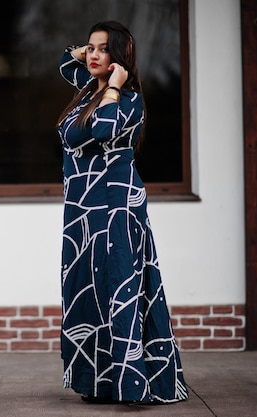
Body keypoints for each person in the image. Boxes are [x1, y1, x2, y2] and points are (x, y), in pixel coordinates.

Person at [56, 21, 188, 404]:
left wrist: (113, 84)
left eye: (103, 49)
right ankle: (99, 383)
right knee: (87, 292)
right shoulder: (85, 94)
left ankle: (134, 384)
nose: (93, 54)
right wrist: (85, 55)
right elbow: (66, 64)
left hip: (115, 207)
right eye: (91, 48)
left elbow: (104, 129)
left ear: (121, 59)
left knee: (120, 290)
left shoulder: (128, 100)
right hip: (80, 212)